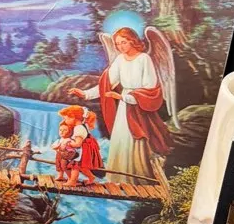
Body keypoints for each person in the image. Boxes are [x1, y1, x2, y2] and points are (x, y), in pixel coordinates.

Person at [69, 27, 170, 189]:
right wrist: (85, 94)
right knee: (121, 138)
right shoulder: (120, 60)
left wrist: (125, 97)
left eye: (124, 42)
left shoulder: (144, 59)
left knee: (134, 139)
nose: (120, 47)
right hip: (124, 105)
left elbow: (151, 87)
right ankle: (117, 178)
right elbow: (106, 84)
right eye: (117, 44)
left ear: (133, 41)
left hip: (139, 106)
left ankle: (137, 180)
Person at [54, 106, 103, 186]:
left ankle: (73, 181)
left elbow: (78, 144)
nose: (65, 121)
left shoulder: (78, 128)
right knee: (82, 166)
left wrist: (68, 143)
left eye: (66, 119)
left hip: (81, 149)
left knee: (75, 165)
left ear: (73, 118)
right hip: (84, 148)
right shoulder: (82, 125)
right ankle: (91, 177)